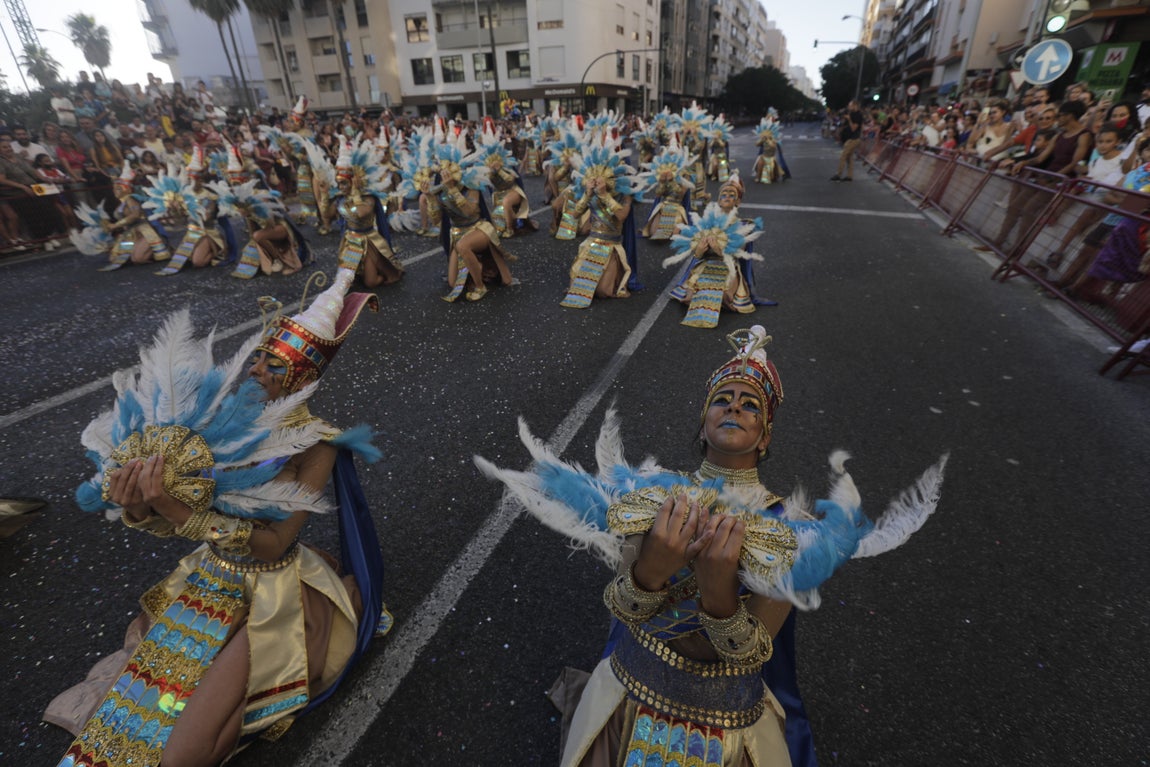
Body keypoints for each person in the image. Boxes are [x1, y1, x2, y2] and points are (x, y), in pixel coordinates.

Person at [476, 325, 947, 767]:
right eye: (722, 400)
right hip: (629, 693)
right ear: (703, 427)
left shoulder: (789, 528)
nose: (735, 407)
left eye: (751, 405)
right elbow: (624, 609)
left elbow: (753, 654)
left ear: (764, 437)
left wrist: (720, 596)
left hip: (728, 727)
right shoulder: (656, 493)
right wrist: (651, 572)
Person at [46, 268, 390, 767]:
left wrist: (169, 506)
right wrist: (138, 503)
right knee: (143, 706)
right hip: (208, 578)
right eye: (257, 358)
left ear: (305, 376)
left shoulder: (318, 445)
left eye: (274, 365)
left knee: (184, 751)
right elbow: (175, 511)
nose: (255, 370)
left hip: (270, 594)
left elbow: (272, 544)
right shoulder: (214, 421)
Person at [664, 175, 770, 328]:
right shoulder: (708, 222)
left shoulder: (744, 225)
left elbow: (739, 251)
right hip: (706, 266)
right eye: (723, 194)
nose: (727, 197)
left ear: (738, 201)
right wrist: (699, 251)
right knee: (689, 297)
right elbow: (697, 253)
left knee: (724, 296)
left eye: (731, 195)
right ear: (719, 200)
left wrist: (719, 251)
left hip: (728, 269)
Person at [559, 139, 646, 309]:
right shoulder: (590, 186)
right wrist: (587, 194)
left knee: (603, 292)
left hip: (612, 247)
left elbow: (621, 216)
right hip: (591, 244)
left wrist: (605, 195)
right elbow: (574, 215)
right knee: (579, 289)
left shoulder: (625, 192)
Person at [430, 137, 516, 302]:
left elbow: (469, 212)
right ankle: (479, 267)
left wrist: (453, 190)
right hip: (457, 232)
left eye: (450, 168)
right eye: (444, 169)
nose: (447, 173)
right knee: (453, 282)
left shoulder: (471, 184)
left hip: (478, 229)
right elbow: (436, 221)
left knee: (463, 245)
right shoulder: (440, 190)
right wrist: (429, 198)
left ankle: (480, 286)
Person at [326, 136, 404, 287]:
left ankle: (380, 269)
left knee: (371, 283)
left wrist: (355, 194)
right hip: (350, 241)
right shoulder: (341, 198)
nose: (340, 187)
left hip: (368, 242)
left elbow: (360, 213)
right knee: (345, 283)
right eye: (338, 183)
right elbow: (328, 216)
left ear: (355, 181)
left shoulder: (368, 198)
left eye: (344, 183)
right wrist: (325, 196)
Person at [831, 100, 864, 182]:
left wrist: (849, 119)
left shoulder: (858, 115)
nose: (849, 107)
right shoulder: (851, 114)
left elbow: (853, 128)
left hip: (854, 138)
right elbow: (845, 125)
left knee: (844, 155)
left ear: (855, 105)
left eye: (850, 105)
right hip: (849, 138)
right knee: (849, 158)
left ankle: (838, 174)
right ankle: (849, 176)